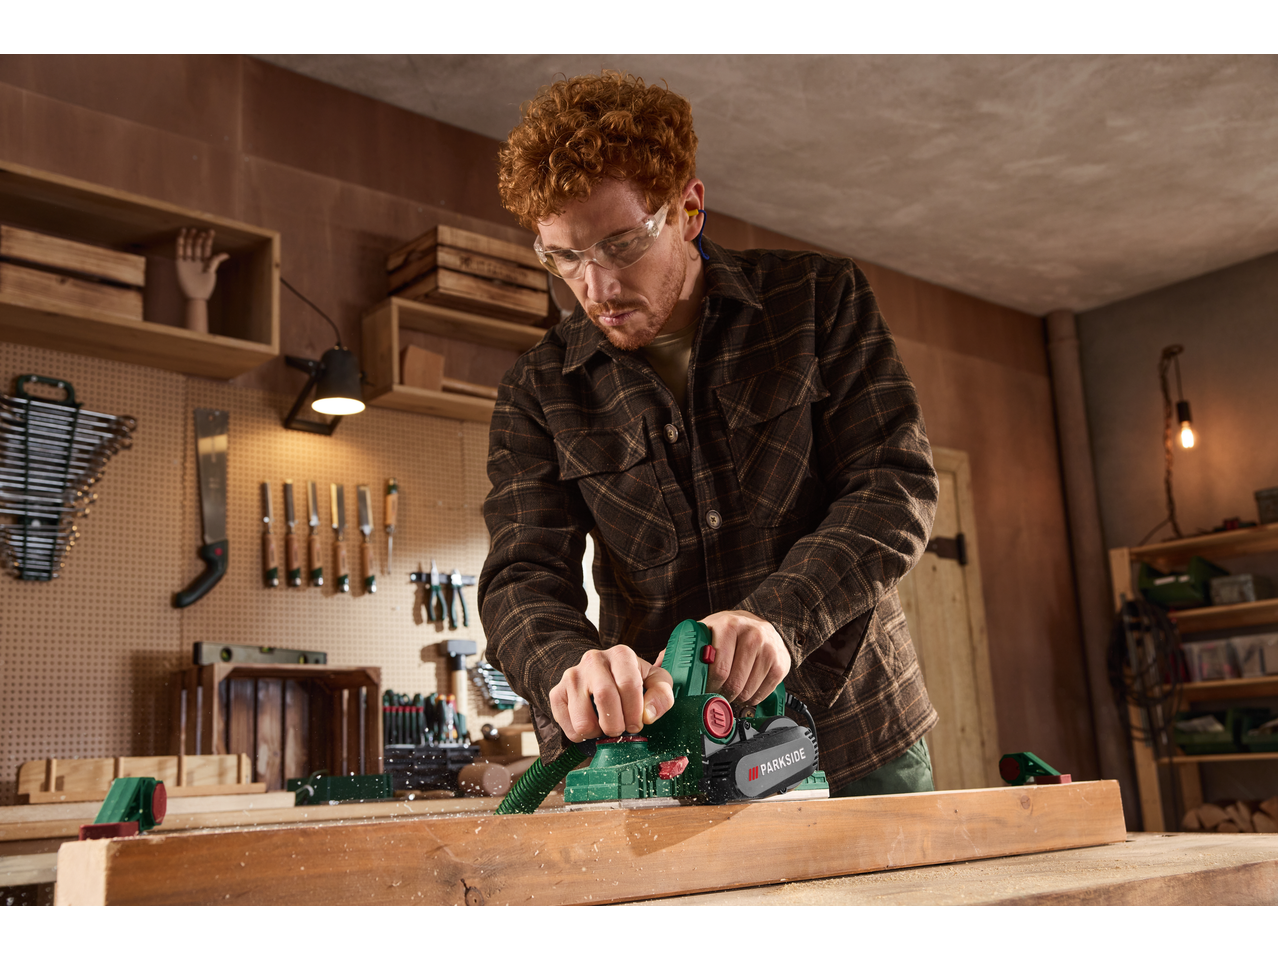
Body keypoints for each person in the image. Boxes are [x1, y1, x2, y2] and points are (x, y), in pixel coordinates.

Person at [478, 72, 940, 797]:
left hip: (855, 732)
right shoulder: (538, 389)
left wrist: (779, 620)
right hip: (668, 758)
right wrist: (571, 665)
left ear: (689, 210)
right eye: (564, 256)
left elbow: (894, 488)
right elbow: (521, 575)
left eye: (621, 244)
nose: (594, 287)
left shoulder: (820, 302)